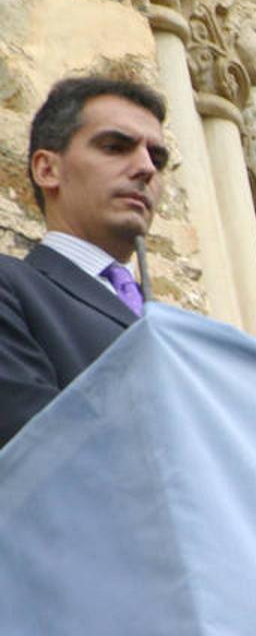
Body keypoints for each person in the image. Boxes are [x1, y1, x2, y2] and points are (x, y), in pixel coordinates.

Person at [0, 76, 169, 445]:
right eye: (115, 147)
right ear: (47, 169)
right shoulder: (11, 287)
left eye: (156, 157)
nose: (146, 168)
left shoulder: (177, 327)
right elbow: (32, 446)